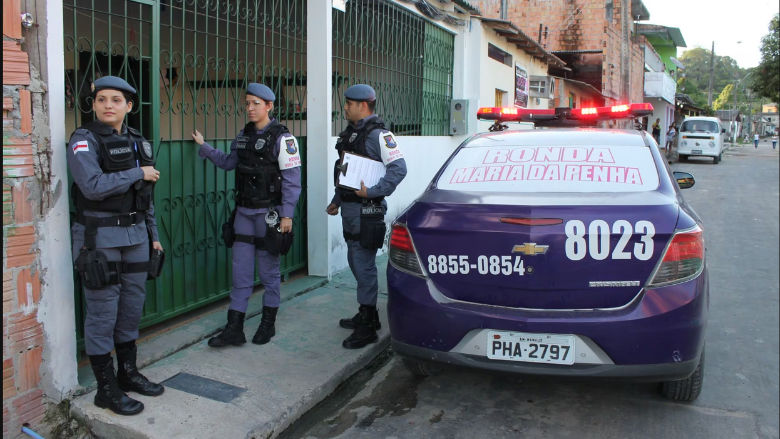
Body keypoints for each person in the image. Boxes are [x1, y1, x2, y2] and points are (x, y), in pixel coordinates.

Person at [67, 76, 165, 416]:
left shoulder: (137, 141)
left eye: (116, 100)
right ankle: (105, 389)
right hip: (100, 239)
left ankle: (128, 374)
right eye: (102, 99)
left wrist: (153, 234)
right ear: (93, 105)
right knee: (102, 313)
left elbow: (146, 196)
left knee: (130, 309)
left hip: (136, 237)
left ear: (129, 106)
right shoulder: (84, 139)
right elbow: (92, 186)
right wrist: (138, 173)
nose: (108, 105)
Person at [191, 83, 301, 348]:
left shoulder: (284, 140)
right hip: (243, 213)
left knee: (268, 272)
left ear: (269, 106)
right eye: (248, 103)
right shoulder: (242, 136)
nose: (250, 108)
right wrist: (204, 147)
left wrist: (287, 216)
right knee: (240, 273)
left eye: (256, 103)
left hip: (269, 215)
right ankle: (234, 328)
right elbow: (230, 163)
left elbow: (292, 180)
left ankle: (267, 324)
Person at [327, 84, 407, 349]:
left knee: (364, 264)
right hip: (350, 210)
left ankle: (369, 323)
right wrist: (337, 200)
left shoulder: (379, 136)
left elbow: (399, 169)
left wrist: (373, 191)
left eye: (349, 103)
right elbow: (346, 172)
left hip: (368, 211)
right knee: (355, 260)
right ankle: (367, 313)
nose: (345, 108)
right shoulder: (351, 134)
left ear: (363, 105)